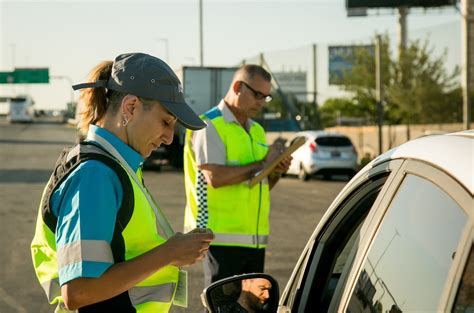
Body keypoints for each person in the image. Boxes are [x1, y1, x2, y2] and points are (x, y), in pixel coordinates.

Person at [31, 52, 214, 312]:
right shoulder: (95, 175)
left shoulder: (116, 165)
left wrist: (175, 249)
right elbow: (79, 291)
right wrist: (169, 253)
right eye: (165, 122)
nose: (169, 138)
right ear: (130, 107)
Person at [183, 64, 292, 288]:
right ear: (237, 87)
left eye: (266, 97)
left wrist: (275, 170)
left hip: (254, 240)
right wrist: (263, 162)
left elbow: (260, 183)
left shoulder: (257, 130)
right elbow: (215, 178)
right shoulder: (208, 124)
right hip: (220, 238)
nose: (261, 102)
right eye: (257, 94)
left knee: (249, 307)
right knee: (221, 306)